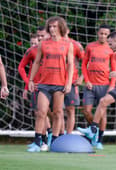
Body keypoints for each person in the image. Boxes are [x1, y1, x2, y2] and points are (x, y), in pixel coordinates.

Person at [28, 16, 74, 152]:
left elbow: (71, 64)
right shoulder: (43, 43)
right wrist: (31, 80)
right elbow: (36, 62)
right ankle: (37, 143)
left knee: (58, 112)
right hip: (44, 84)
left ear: (61, 27)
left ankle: (54, 142)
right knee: (41, 113)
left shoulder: (68, 44)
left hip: (60, 84)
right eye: (50, 27)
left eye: (55, 26)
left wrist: (69, 82)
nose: (52, 29)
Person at [77, 24, 116, 149]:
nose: (103, 36)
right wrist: (86, 80)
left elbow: (114, 69)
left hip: (104, 85)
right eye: (101, 33)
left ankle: (99, 140)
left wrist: (112, 85)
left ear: (108, 36)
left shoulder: (111, 49)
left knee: (103, 113)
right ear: (97, 33)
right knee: (86, 111)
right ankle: (93, 130)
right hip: (90, 85)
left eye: (106, 34)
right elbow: (84, 65)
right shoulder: (90, 46)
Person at [18, 27, 52, 151]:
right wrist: (28, 83)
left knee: (56, 113)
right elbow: (21, 67)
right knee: (40, 112)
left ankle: (53, 137)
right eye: (38, 37)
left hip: (54, 85)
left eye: (42, 36)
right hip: (38, 86)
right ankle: (43, 140)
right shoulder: (32, 51)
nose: (39, 39)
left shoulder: (55, 49)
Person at [63, 29, 84, 134]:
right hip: (56, 82)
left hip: (72, 82)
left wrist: (81, 77)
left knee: (70, 110)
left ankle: (68, 136)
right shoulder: (53, 43)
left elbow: (87, 61)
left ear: (67, 30)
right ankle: (57, 136)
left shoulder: (75, 44)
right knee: (56, 111)